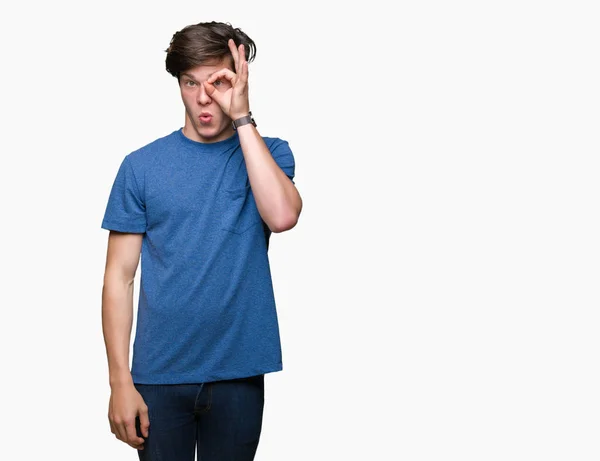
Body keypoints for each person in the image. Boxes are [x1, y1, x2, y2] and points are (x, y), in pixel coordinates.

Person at [100, 20, 302, 461]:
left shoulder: (270, 153)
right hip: (158, 373)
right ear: (178, 83)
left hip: (238, 370)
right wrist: (120, 381)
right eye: (191, 82)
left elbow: (283, 216)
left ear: (239, 79)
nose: (204, 97)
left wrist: (242, 116)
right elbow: (119, 277)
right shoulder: (141, 166)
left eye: (218, 81)